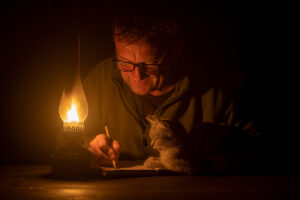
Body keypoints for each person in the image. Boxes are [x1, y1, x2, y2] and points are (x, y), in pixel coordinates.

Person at [58, 9, 264, 174]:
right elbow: (60, 145)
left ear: (174, 52)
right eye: (125, 63)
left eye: (151, 64)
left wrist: (227, 140)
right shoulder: (102, 79)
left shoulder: (215, 90)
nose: (137, 77)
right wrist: (88, 150)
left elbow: (267, 151)